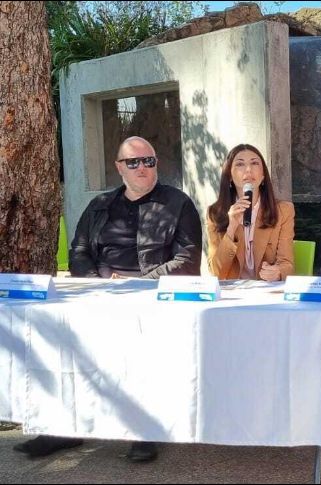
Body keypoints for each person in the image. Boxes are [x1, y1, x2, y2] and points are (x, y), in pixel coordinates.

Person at [13, 136, 202, 463]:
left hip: (150, 298)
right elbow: (80, 251)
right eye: (134, 162)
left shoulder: (177, 203)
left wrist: (135, 284)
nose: (142, 167)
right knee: (58, 338)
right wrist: (96, 283)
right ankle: (63, 428)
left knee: (139, 349)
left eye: (149, 161)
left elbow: (187, 262)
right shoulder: (100, 205)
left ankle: (144, 429)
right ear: (119, 167)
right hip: (98, 293)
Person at [206, 144, 294, 280]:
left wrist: (278, 272)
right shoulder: (215, 213)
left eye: (254, 163)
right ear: (229, 175)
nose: (248, 170)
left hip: (267, 291)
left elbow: (287, 265)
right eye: (240, 164)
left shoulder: (283, 211)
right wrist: (231, 228)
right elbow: (216, 273)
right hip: (233, 295)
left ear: (263, 175)